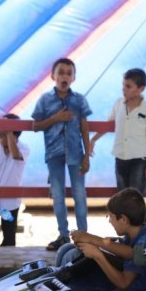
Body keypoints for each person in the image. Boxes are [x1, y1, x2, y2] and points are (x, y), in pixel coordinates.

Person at [74, 188, 146, 291]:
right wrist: (95, 250)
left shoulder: (145, 241)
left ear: (123, 219)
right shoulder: (135, 235)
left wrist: (97, 255)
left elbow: (123, 283)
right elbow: (123, 260)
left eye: (110, 216)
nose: (109, 221)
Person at [32, 58, 92, 251]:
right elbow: (36, 126)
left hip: (76, 153)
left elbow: (84, 127)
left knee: (79, 194)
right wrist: (56, 118)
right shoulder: (44, 99)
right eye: (61, 72)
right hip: (54, 153)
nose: (64, 76)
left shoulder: (79, 100)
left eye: (69, 73)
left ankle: (83, 235)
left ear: (73, 77)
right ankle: (63, 235)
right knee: (58, 196)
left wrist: (87, 154)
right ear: (53, 76)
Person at [89, 68, 146, 194]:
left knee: (135, 197)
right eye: (123, 85)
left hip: (139, 159)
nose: (123, 89)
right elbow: (108, 125)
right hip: (119, 158)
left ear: (141, 89)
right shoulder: (118, 103)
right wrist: (93, 139)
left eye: (128, 86)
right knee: (122, 196)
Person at [0, 113, 29, 247]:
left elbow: (16, 155)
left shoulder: (24, 149)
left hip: (9, 205)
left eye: (1, 135)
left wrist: (8, 132)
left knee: (9, 237)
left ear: (12, 135)